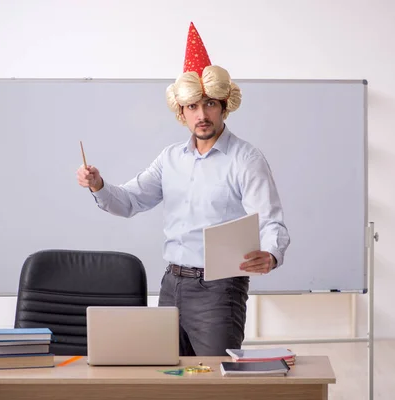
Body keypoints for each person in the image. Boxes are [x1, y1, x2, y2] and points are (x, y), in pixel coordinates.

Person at [76, 22, 290, 356]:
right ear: (182, 112)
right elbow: (130, 201)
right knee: (167, 378)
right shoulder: (170, 158)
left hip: (220, 290)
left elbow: (270, 220)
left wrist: (272, 253)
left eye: (209, 104)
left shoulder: (246, 159)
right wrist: (99, 186)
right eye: (192, 107)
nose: (201, 115)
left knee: (216, 382)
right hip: (171, 286)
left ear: (223, 106)